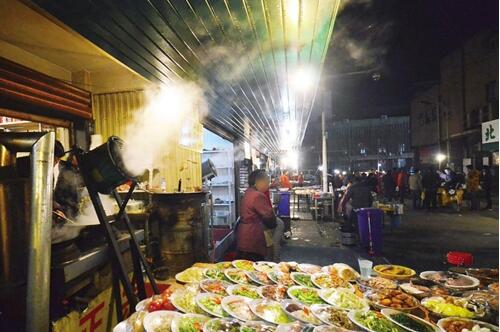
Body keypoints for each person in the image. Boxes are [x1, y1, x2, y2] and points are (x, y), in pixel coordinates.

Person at [237, 170, 277, 261]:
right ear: (259, 182)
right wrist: (272, 224)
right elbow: (270, 218)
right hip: (252, 237)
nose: (268, 184)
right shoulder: (258, 196)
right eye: (267, 181)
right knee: (254, 266)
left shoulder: (248, 192)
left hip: (243, 235)